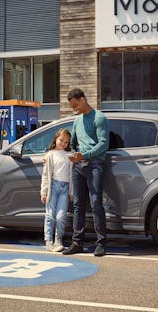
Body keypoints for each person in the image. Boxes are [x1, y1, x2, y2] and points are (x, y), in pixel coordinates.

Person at [62, 88, 110, 257]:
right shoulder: (77, 120)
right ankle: (77, 243)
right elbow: (74, 142)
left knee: (96, 202)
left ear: (82, 99)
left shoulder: (99, 118)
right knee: (78, 205)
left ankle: (101, 243)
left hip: (95, 165)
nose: (74, 109)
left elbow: (104, 144)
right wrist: (76, 154)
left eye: (75, 105)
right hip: (78, 166)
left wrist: (86, 155)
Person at [40, 128, 73, 252]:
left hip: (65, 188)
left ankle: (58, 239)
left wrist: (71, 192)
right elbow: (45, 175)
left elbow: (71, 176)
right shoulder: (50, 155)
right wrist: (44, 191)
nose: (63, 143)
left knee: (61, 216)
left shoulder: (69, 155)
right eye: (61, 140)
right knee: (50, 215)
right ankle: (48, 240)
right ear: (56, 139)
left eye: (66, 142)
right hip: (52, 187)